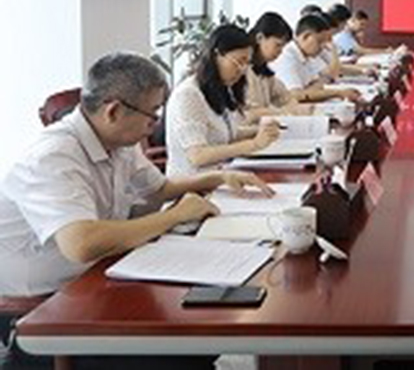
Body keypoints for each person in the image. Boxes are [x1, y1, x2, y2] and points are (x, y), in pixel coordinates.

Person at [0, 53, 270, 369]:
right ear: (114, 110)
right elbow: (81, 243)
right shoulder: (53, 157)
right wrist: (175, 215)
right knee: (185, 350)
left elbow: (159, 189)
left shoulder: (117, 142)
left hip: (98, 278)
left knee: (203, 326)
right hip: (43, 313)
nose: (155, 126)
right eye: (152, 114)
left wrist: (218, 178)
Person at [165, 24, 281, 176]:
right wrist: (253, 144)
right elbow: (197, 156)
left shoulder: (221, 88)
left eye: (247, 63)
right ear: (216, 55)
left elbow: (226, 133)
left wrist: (261, 131)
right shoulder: (188, 94)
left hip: (220, 176)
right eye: (239, 61)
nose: (242, 70)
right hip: (192, 184)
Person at [271, 14, 360, 103]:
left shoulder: (308, 54)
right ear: (306, 36)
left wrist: (312, 89)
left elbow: (321, 81)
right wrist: (338, 93)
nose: (323, 46)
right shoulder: (287, 56)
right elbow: (296, 95)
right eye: (320, 41)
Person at [244, 12, 311, 121]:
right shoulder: (243, 71)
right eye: (278, 45)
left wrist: (294, 108)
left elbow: (286, 98)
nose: (280, 51)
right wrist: (283, 111)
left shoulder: (264, 71)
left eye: (283, 47)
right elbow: (250, 113)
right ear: (260, 38)